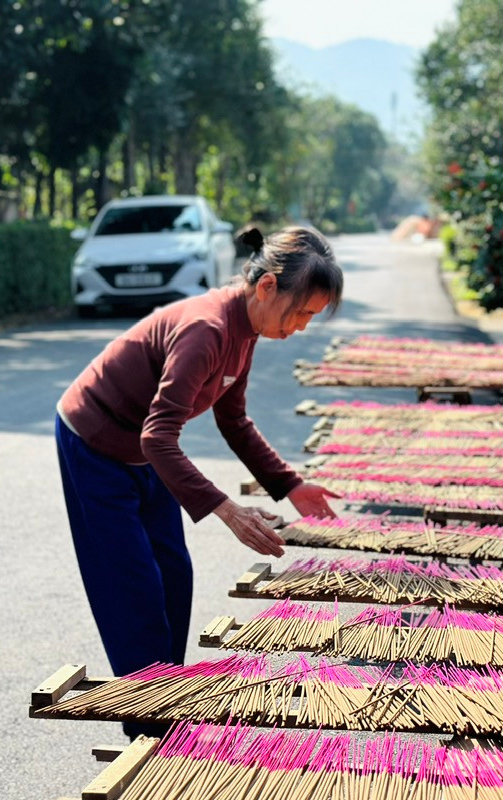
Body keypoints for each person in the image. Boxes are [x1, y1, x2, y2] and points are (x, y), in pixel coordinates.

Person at [55, 225, 343, 733]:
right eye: (300, 312)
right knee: (133, 586)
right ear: (267, 287)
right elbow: (157, 436)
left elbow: (232, 420)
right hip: (95, 443)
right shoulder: (208, 329)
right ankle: (148, 727)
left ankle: (163, 704)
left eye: (310, 318)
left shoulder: (247, 331)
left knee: (174, 577)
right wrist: (227, 510)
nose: (300, 326)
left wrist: (289, 484)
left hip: (146, 453)